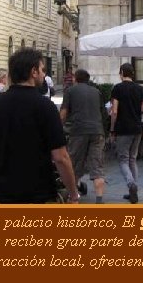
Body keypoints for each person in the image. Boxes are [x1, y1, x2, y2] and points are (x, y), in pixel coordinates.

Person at [0, 48, 79, 204]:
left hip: (2, 195)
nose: (44, 74)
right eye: (42, 69)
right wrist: (73, 194)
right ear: (34, 72)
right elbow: (61, 157)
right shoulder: (46, 107)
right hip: (39, 195)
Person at [60, 69, 106, 204]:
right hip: (97, 131)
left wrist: (58, 128)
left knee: (73, 164)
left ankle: (72, 197)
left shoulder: (70, 91)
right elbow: (103, 114)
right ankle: (99, 199)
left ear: (75, 79)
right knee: (97, 165)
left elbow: (63, 113)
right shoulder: (97, 92)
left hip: (78, 131)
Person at [110, 63, 143, 204]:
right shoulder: (139, 89)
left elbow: (114, 111)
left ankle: (131, 184)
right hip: (137, 129)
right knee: (132, 159)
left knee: (122, 159)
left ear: (122, 72)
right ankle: (133, 192)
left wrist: (112, 129)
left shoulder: (117, 88)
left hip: (123, 129)